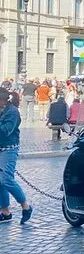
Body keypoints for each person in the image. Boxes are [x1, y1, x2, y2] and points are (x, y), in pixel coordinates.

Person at [0, 88, 33, 223]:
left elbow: (6, 130)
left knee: (6, 179)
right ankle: (5, 211)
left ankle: (25, 206)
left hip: (9, 148)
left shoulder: (12, 112)